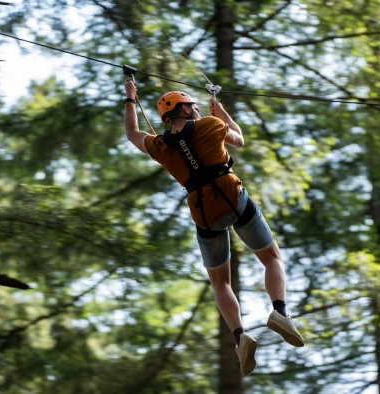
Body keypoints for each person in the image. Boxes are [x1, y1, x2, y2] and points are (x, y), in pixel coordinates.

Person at [123, 78, 304, 376]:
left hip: (204, 211)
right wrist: (220, 111)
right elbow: (239, 139)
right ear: (184, 108)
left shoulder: (159, 145)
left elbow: (132, 133)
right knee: (271, 257)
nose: (196, 109)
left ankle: (239, 336)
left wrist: (130, 96)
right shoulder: (210, 124)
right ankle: (280, 312)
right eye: (192, 105)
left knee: (220, 282)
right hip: (233, 198)